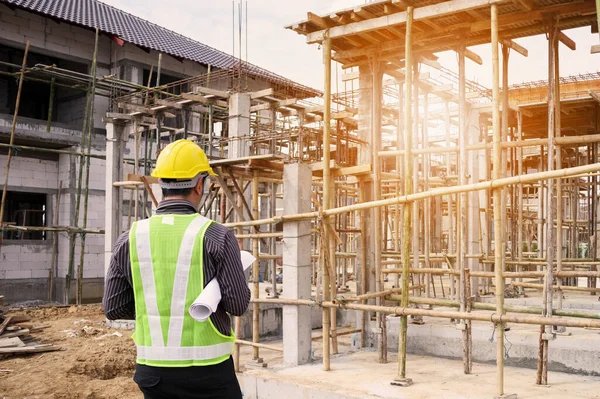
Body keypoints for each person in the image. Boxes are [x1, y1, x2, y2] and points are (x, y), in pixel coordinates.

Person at [103, 139, 251, 399]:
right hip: (210, 373)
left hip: (154, 374)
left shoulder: (129, 238)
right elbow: (238, 304)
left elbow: (113, 308)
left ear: (161, 183)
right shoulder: (217, 236)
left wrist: (158, 306)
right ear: (199, 183)